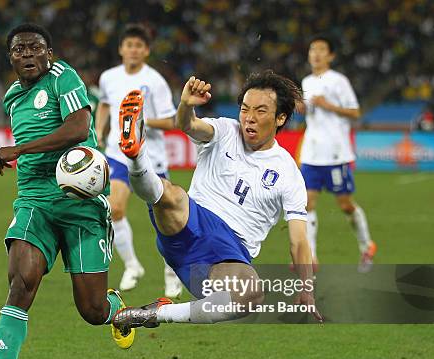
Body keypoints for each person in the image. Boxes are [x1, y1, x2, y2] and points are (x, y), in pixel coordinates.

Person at [0, 23, 134, 359]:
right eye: (20, 50)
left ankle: (115, 308)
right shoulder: (14, 97)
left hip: (81, 203)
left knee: (92, 312)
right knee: (21, 284)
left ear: (49, 52)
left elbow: (78, 128)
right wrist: (24, 157)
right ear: (11, 57)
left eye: (36, 48)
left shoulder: (62, 76)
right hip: (35, 202)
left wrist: (20, 149)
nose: (28, 55)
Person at [111, 71, 323, 334]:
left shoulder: (288, 173)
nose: (249, 118)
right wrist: (186, 104)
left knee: (252, 294)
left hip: (227, 256)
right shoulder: (225, 130)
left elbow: (299, 240)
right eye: (245, 109)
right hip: (192, 221)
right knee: (172, 195)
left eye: (260, 111)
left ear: (280, 118)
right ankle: (135, 156)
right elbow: (189, 125)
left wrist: (307, 289)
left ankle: (154, 313)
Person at [95, 24, 182, 297]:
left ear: (146, 51)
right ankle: (132, 266)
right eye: (128, 45)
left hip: (149, 158)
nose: (133, 50)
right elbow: (106, 104)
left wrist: (138, 121)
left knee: (165, 221)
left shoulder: (155, 80)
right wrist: (98, 131)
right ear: (121, 49)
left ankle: (171, 272)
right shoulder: (108, 77)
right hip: (117, 153)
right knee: (115, 209)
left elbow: (172, 120)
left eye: (138, 46)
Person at [298, 35, 376, 272]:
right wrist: (302, 107)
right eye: (313, 49)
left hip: (335, 153)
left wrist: (328, 105)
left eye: (322, 49)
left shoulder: (339, 81)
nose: (316, 53)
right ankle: (310, 257)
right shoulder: (306, 81)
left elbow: (355, 112)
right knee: (307, 203)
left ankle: (366, 245)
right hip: (312, 153)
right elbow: (310, 114)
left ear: (330, 56)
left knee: (345, 205)